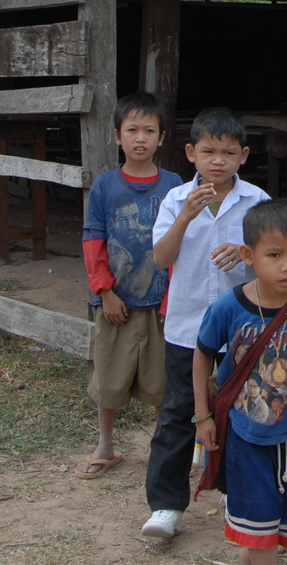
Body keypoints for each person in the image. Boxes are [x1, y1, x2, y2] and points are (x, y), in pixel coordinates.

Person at [141, 108, 267, 542]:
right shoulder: (175, 199)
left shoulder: (256, 201)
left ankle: (237, 494)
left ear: (243, 155)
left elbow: (270, 257)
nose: (219, 160)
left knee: (240, 410)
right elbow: (161, 258)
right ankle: (165, 505)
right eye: (209, 151)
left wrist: (245, 252)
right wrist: (185, 218)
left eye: (229, 152)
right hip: (186, 326)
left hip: (241, 328)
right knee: (178, 413)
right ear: (191, 153)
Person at [194, 200, 287, 564]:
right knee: (259, 521)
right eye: (274, 255)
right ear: (248, 254)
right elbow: (201, 354)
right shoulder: (228, 307)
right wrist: (202, 414)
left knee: (277, 522)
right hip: (247, 434)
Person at [77, 92, 183, 479]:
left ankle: (163, 446)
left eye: (149, 131)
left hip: (161, 302)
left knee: (162, 381)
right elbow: (93, 239)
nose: (141, 138)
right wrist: (104, 291)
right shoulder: (105, 185)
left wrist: (174, 295)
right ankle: (105, 443)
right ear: (117, 137)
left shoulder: (174, 184)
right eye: (132, 130)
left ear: (162, 138)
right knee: (109, 375)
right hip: (116, 302)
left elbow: (183, 240)